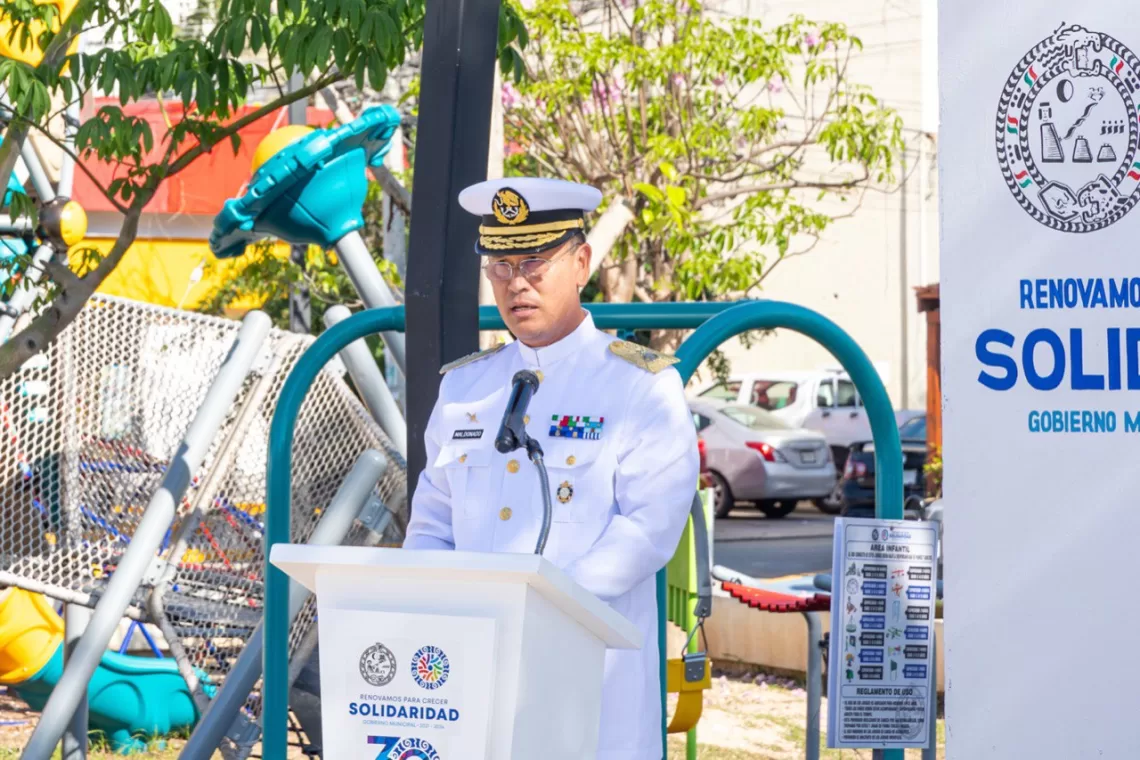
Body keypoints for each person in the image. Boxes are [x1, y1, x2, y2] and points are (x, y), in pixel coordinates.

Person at [402, 177, 700, 759]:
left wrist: (543, 611)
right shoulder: (467, 386)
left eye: (535, 261)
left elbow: (647, 530)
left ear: (582, 261)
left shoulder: (639, 385)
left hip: (590, 680)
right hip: (475, 671)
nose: (516, 282)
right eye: (500, 264)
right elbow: (432, 524)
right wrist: (450, 610)